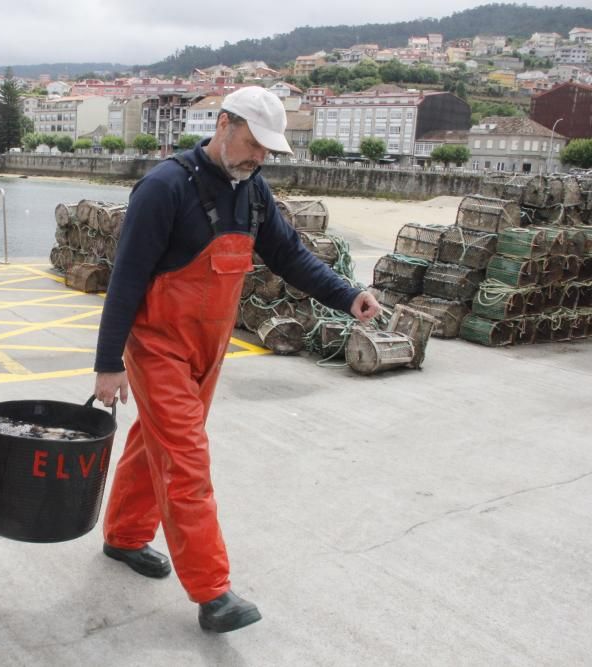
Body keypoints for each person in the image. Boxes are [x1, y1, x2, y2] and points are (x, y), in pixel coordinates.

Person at [92, 86, 380, 633]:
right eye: (253, 144)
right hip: (158, 346)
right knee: (187, 462)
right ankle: (212, 593)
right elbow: (125, 280)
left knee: (153, 441)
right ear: (223, 124)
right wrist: (109, 363)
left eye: (267, 151)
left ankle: (125, 537)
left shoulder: (253, 192)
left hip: (209, 348)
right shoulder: (163, 188)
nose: (258, 158)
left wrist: (347, 295)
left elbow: (291, 256)